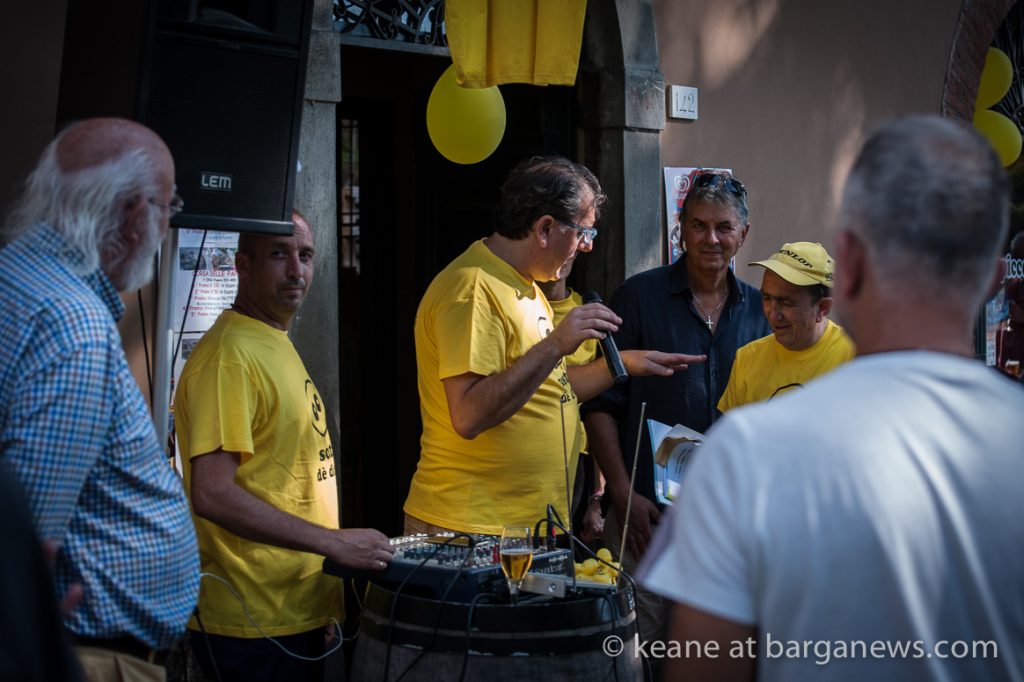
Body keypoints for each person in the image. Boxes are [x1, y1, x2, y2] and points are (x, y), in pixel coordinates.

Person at [640, 115, 1024, 681]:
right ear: (994, 279)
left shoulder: (745, 452)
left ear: (848, 267)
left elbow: (706, 667)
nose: (774, 312)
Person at [403, 155, 704, 537]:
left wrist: (623, 364)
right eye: (583, 232)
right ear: (545, 228)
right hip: (471, 527)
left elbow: (549, 388)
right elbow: (468, 415)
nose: (587, 246)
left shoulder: (525, 284)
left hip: (520, 526)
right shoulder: (474, 288)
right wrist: (556, 344)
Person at [0, 118, 199, 681]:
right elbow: (27, 534)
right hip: (86, 654)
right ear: (135, 218)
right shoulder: (75, 326)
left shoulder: (15, 275)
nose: (167, 224)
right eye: (169, 206)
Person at [173, 211, 394, 681]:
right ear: (243, 265)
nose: (297, 270)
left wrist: (323, 601)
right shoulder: (230, 357)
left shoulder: (270, 338)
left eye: (306, 256)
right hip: (252, 623)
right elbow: (212, 492)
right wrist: (333, 544)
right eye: (279, 254)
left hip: (294, 612)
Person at [583, 171, 770, 641]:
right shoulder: (637, 297)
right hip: (645, 520)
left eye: (724, 227)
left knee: (711, 653)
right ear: (680, 229)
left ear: (743, 234)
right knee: (637, 650)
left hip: (727, 526)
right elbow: (600, 406)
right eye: (699, 225)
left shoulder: (761, 312)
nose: (711, 239)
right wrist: (621, 493)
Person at [718, 241, 855, 410]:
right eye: (766, 298)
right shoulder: (746, 359)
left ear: (822, 308)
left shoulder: (855, 357)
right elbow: (732, 427)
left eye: (786, 302)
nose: (772, 314)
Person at [537, 265, 604, 544]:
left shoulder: (588, 312)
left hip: (576, 461)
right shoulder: (517, 305)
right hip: (523, 457)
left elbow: (600, 411)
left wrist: (597, 497)